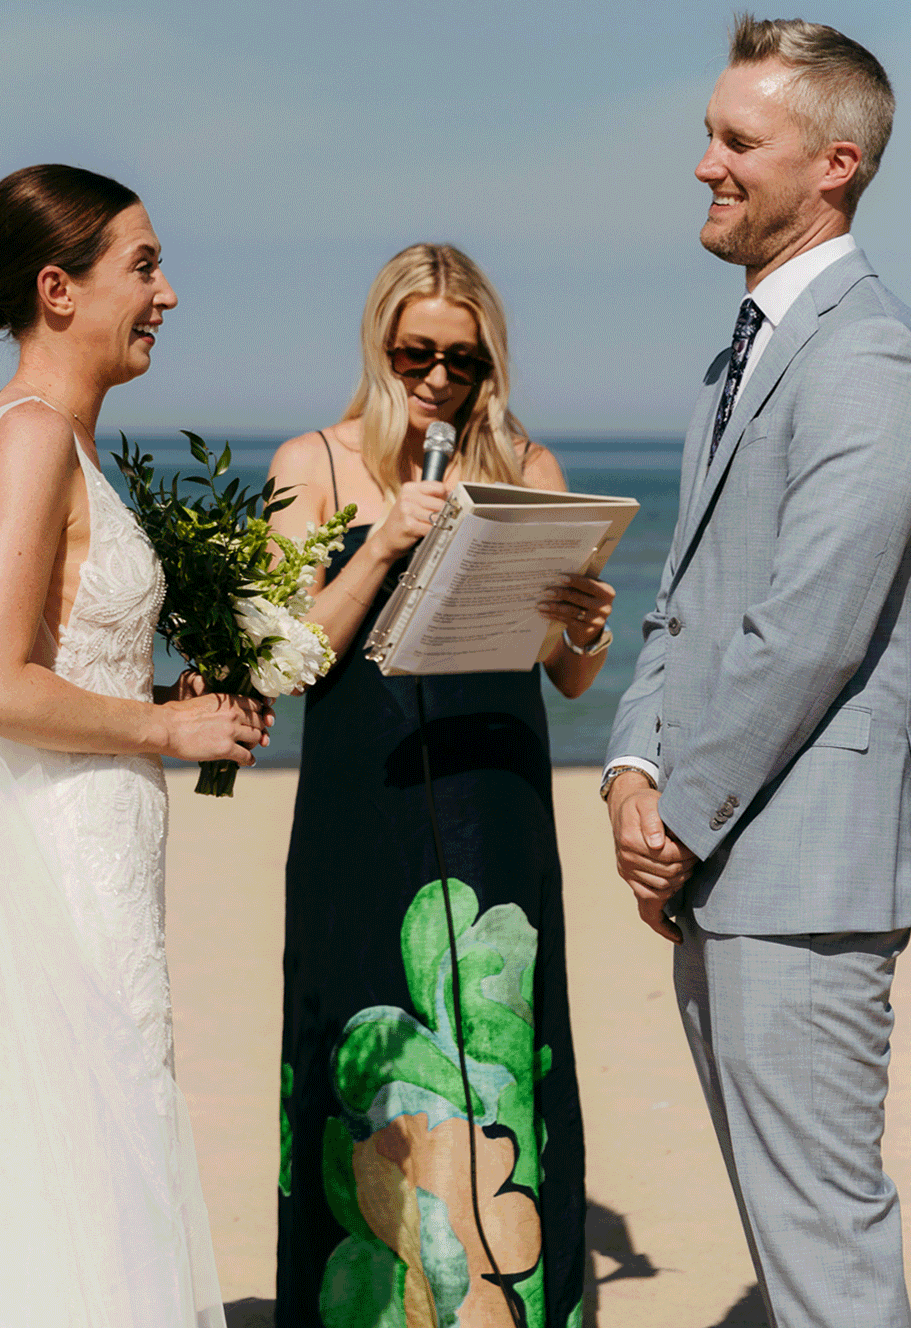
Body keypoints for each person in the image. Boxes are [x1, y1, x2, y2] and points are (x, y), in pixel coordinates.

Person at [604, 18, 911, 1328]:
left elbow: (805, 631)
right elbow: (692, 600)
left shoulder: (867, 352)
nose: (705, 163)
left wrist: (681, 817)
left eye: (738, 141)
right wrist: (633, 763)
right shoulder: (738, 351)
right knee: (792, 1226)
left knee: (821, 1245)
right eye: (708, 132)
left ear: (835, 165)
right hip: (731, 858)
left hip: (801, 869)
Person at [0, 165, 271, 1328]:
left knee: (93, 1169)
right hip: (56, 874)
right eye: (144, 265)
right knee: (75, 1165)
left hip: (90, 851)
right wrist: (163, 724)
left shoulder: (55, 440)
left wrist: (166, 689)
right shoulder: (29, 440)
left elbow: (52, 661)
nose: (168, 292)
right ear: (57, 289)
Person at [269, 244, 614, 1328]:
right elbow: (284, 658)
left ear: (487, 361)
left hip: (494, 798)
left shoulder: (527, 460)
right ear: (379, 345)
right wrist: (381, 548)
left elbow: (565, 669)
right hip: (359, 798)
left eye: (461, 358)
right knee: (362, 1029)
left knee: (496, 1033)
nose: (436, 376)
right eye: (415, 351)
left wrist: (589, 628)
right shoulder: (314, 464)